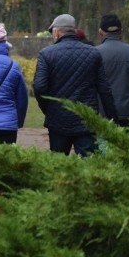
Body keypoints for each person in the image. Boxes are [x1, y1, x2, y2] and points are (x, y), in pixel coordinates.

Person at [33, 14, 117, 156]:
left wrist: (48, 108)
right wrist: (112, 118)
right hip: (86, 120)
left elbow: (39, 87)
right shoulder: (93, 53)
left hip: (58, 119)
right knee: (88, 165)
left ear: (57, 32)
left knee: (59, 165)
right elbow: (104, 89)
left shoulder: (46, 54)